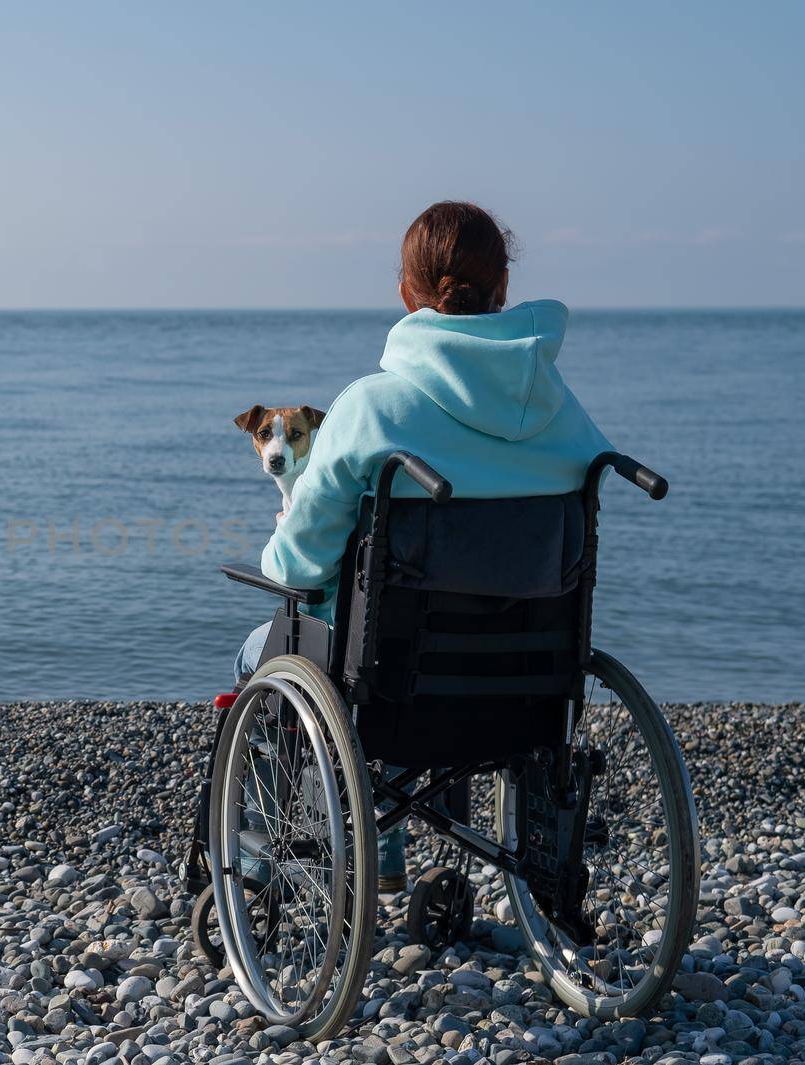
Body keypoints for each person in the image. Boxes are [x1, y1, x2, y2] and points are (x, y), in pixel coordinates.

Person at [234, 201, 613, 892]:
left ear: (408, 297)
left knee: (262, 650)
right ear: (503, 292)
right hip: (531, 685)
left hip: (396, 684)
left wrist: (276, 564)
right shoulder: (562, 410)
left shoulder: (372, 408)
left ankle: (278, 856)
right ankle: (481, 861)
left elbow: (297, 563)